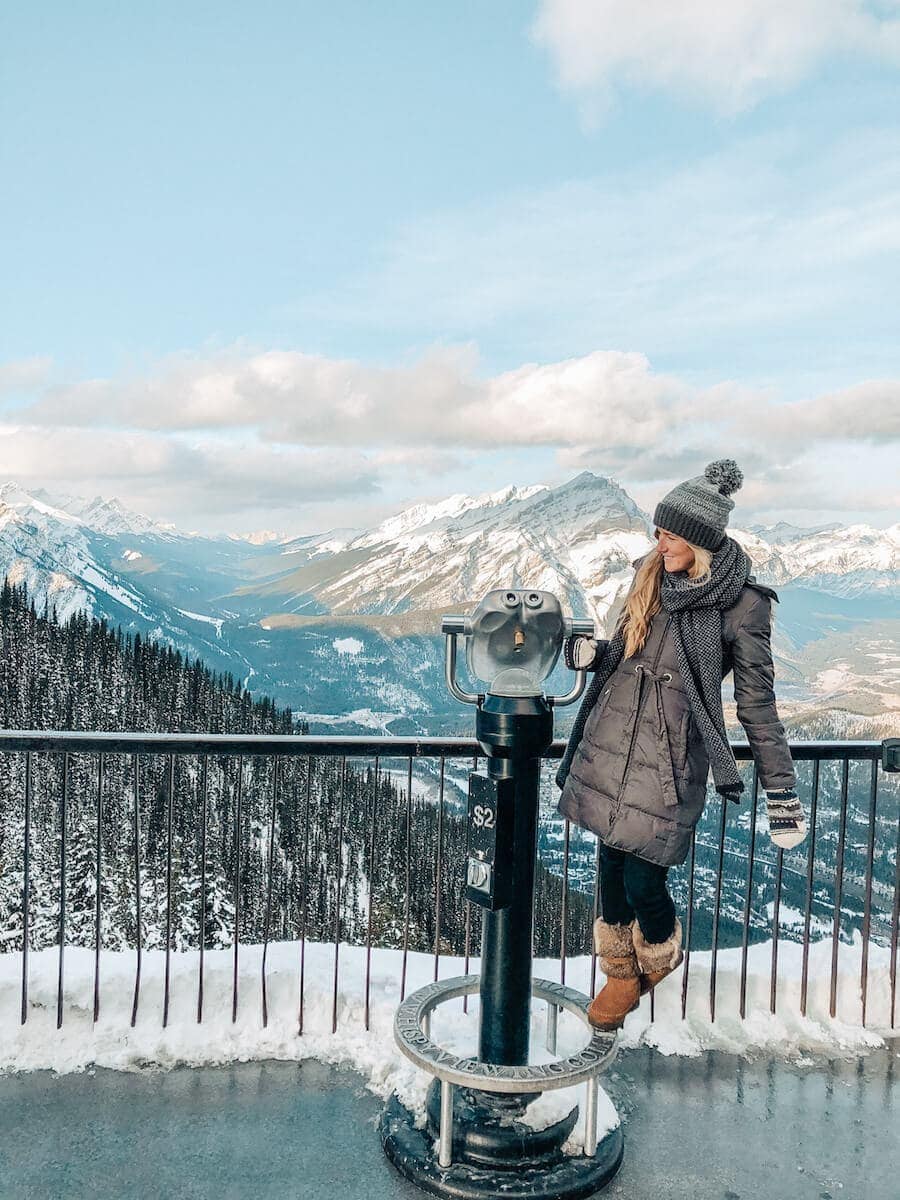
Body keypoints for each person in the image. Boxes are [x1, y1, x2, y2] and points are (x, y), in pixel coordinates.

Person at [555, 459, 806, 1031]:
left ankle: (660, 958)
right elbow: (626, 651)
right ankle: (620, 975)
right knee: (608, 869)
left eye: (668, 534)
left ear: (699, 537)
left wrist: (782, 793)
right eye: (659, 532)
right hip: (613, 741)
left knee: (644, 878)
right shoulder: (650, 577)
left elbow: (756, 705)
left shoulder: (743, 605)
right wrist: (598, 657)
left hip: (669, 760)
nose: (658, 543)